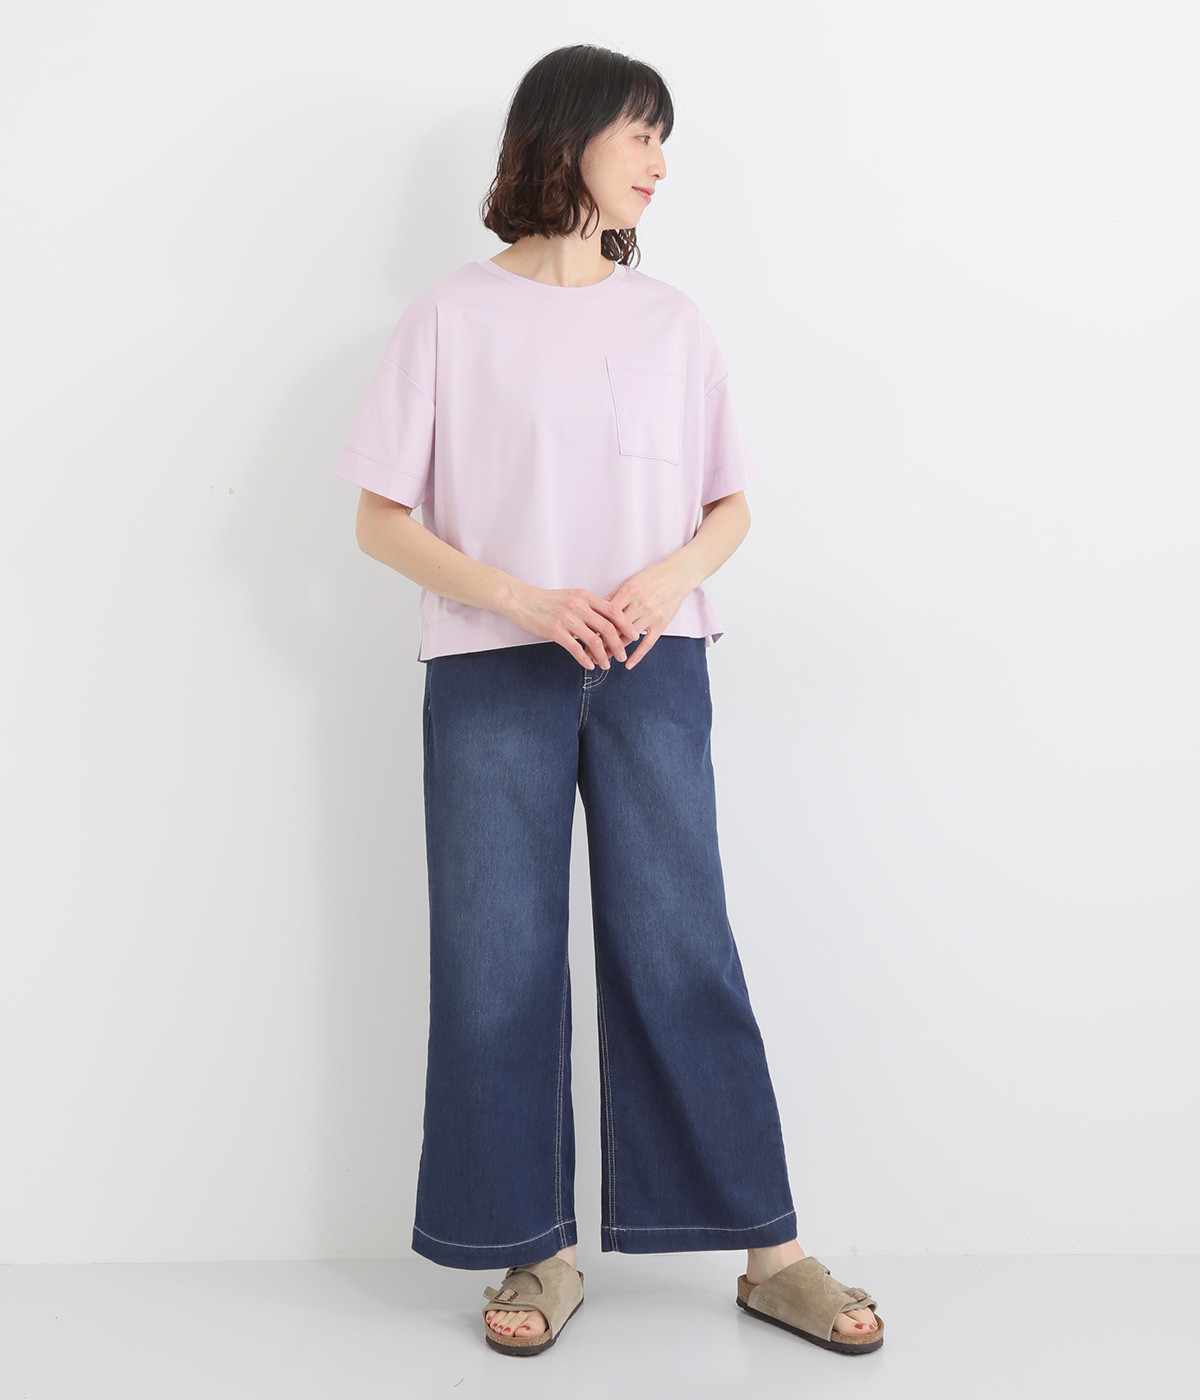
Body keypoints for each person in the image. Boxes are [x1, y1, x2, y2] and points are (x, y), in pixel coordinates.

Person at [333, 43, 884, 1358]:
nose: (660, 164)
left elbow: (728, 504)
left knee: (681, 944)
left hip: (653, 665)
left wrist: (664, 579)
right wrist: (522, 600)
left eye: (663, 139)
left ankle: (772, 1254)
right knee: (497, 962)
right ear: (568, 135)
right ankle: (535, 1251)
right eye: (641, 134)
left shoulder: (670, 322)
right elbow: (377, 518)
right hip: (492, 671)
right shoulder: (449, 318)